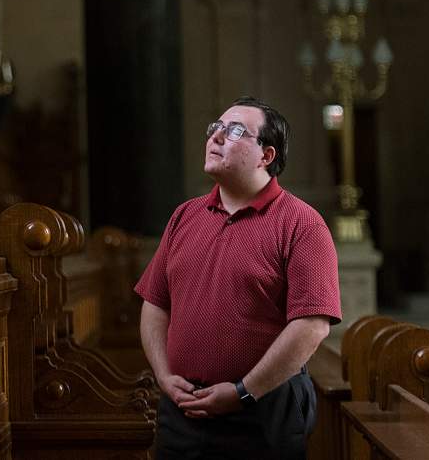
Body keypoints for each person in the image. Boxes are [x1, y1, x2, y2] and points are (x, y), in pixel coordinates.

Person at [134, 96, 341, 459]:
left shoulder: (302, 223)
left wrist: (244, 391)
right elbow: (155, 305)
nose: (215, 137)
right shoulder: (185, 216)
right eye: (214, 128)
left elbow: (311, 326)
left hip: (262, 412)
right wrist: (165, 378)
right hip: (182, 411)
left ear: (267, 155)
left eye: (233, 131)